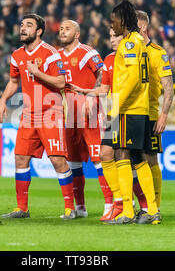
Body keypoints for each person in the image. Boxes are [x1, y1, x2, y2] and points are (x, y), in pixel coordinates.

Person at [0, 13, 76, 220]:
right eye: (22, 25)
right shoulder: (16, 55)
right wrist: (2, 101)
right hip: (29, 114)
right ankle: (22, 208)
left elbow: (60, 83)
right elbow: (14, 82)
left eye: (29, 26)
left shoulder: (50, 53)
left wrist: (37, 72)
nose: (23, 28)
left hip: (51, 112)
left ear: (39, 31)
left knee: (57, 160)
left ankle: (70, 208)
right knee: (20, 158)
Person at [103, 0, 160, 224]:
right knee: (138, 157)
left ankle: (128, 210)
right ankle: (152, 210)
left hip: (129, 108)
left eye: (114, 21)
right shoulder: (137, 41)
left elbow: (134, 77)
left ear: (123, 21)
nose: (112, 25)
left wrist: (115, 106)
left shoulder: (129, 43)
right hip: (137, 107)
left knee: (123, 155)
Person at [57, 20, 113, 218]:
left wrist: (91, 97)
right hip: (68, 116)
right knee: (73, 162)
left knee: (100, 160)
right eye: (61, 29)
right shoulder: (56, 55)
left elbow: (102, 74)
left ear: (77, 33)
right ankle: (80, 207)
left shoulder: (87, 52)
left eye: (67, 29)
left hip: (89, 113)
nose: (63, 31)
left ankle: (109, 203)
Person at [136, 10, 174, 214]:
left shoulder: (158, 53)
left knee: (149, 158)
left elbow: (169, 87)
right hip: (125, 113)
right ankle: (132, 205)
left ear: (142, 26)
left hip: (149, 114)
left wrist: (163, 115)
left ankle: (154, 206)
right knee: (123, 158)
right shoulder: (124, 50)